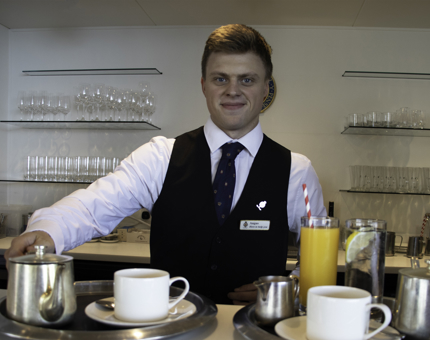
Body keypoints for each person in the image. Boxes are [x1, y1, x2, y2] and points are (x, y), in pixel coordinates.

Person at [4, 24, 326, 305]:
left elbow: (318, 257)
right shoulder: (160, 157)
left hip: (255, 329)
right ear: (203, 85)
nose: (232, 90)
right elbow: (93, 205)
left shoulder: (296, 171)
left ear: (266, 88)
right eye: (220, 78)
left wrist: (290, 288)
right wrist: (46, 231)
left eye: (247, 79)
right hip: (170, 326)